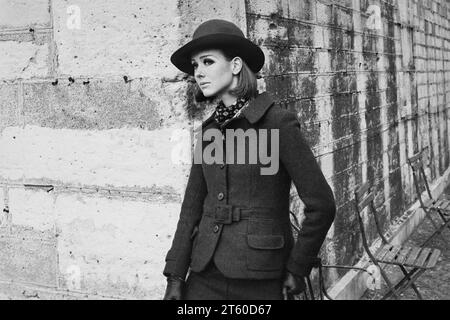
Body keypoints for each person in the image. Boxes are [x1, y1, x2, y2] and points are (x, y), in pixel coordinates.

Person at [163, 19, 336, 300]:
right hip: (204, 274)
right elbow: (191, 208)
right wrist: (175, 274)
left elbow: (322, 204)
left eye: (207, 62)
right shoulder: (209, 132)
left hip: (260, 276)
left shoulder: (277, 124)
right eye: (195, 66)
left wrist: (297, 267)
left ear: (235, 66)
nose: (199, 73)